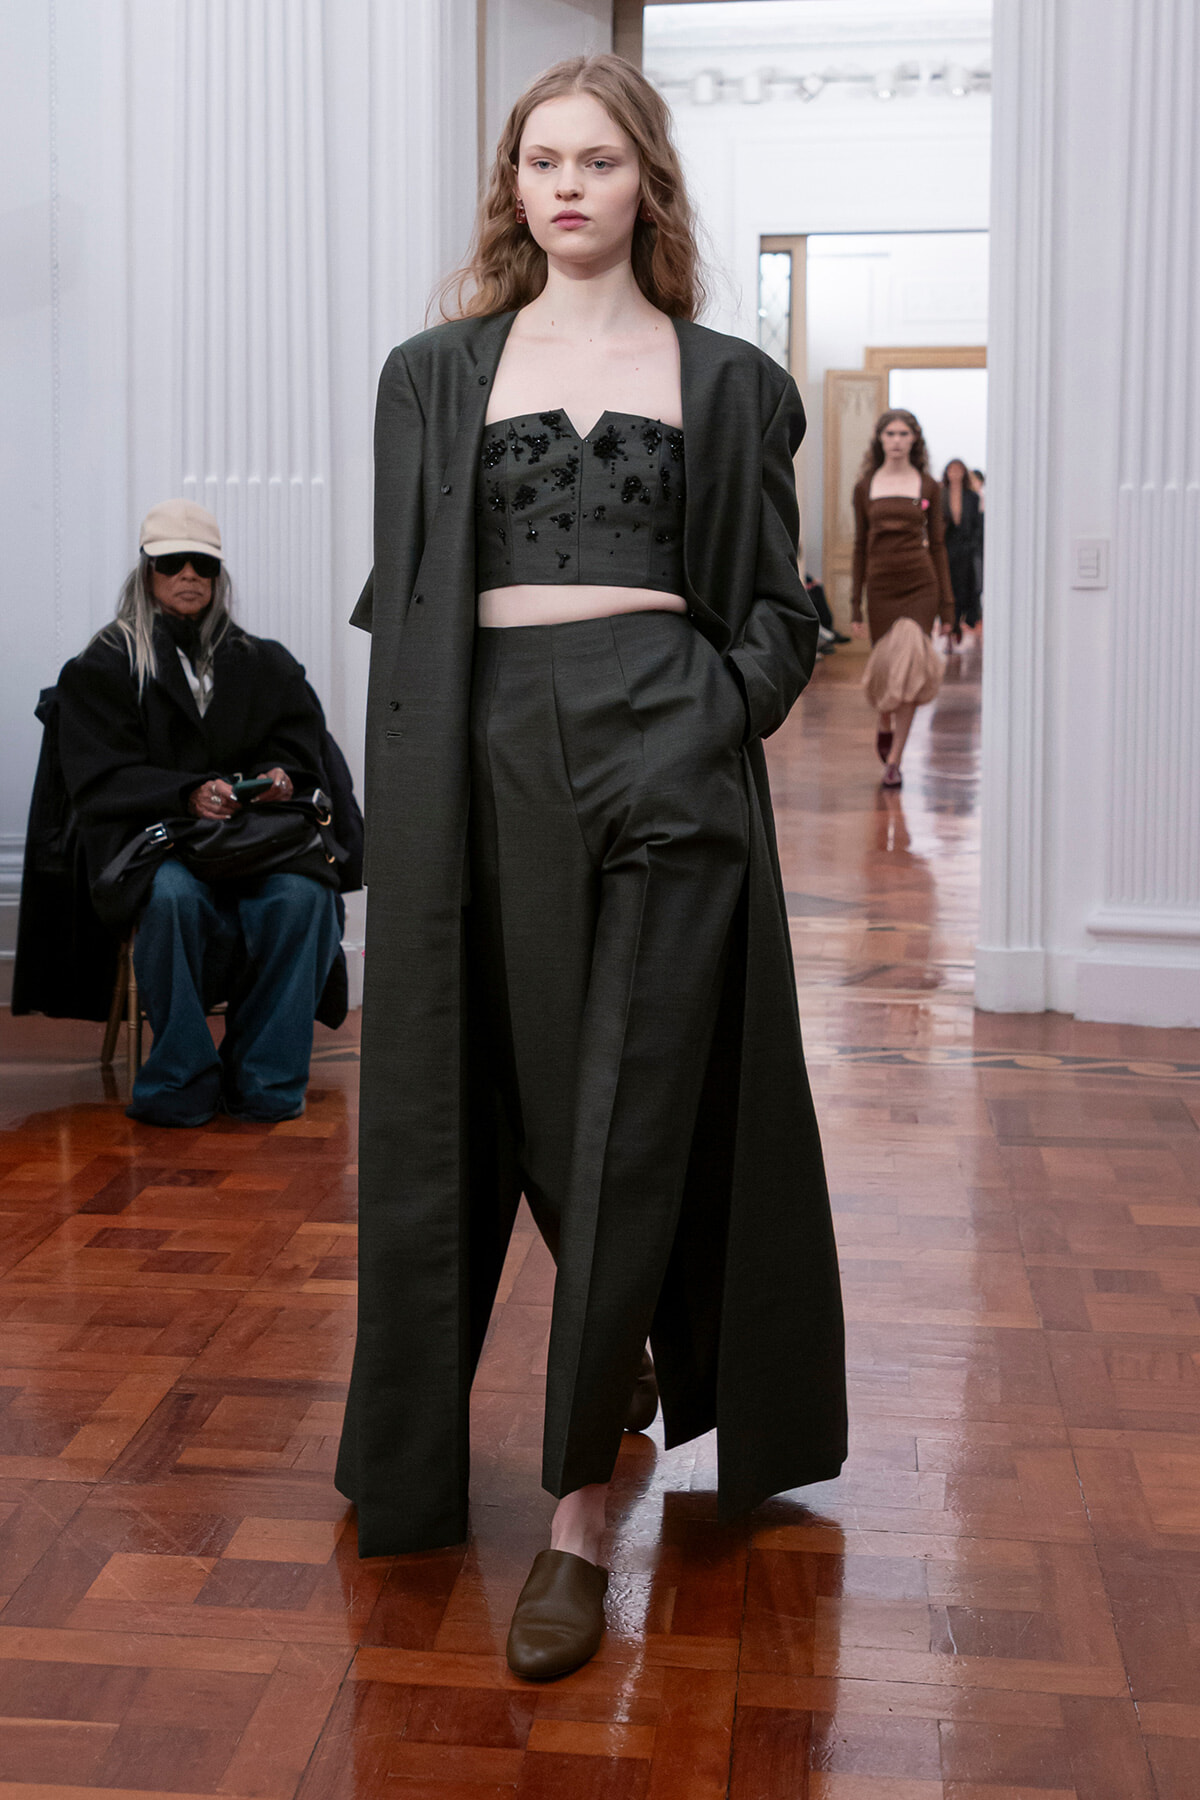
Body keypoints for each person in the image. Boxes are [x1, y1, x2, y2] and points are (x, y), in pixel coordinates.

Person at [336, 54, 847, 1682]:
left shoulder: (733, 381)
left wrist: (713, 712)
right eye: (541, 161)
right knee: (520, 1094)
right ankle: (613, 1346)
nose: (567, 186)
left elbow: (779, 607)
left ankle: (570, 1524)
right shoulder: (432, 376)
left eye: (599, 161)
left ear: (648, 186)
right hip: (486, 758)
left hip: (664, 750)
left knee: (631, 1105)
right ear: (515, 187)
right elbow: (404, 614)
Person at [55, 499, 346, 1127]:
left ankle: (265, 1081)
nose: (188, 575)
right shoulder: (107, 665)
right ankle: (181, 1079)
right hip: (158, 844)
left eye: (203, 564)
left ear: (217, 575)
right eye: (171, 562)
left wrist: (278, 778)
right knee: (171, 896)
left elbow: (303, 751)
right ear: (147, 571)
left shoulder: (263, 660)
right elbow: (99, 777)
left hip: (252, 842)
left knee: (304, 896)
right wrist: (185, 793)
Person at [850, 409, 954, 788]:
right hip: (881, 587)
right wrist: (854, 605)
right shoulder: (865, 487)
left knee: (909, 666)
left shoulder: (928, 486)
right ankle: (884, 717)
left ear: (914, 440)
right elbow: (861, 547)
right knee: (886, 667)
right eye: (889, 433)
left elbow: (940, 546)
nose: (896, 440)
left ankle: (894, 761)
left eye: (903, 433)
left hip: (920, 584)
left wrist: (948, 606)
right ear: (880, 439)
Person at [941, 457, 983, 641]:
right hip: (948, 546)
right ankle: (951, 624)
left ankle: (959, 622)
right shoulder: (941, 494)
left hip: (966, 549)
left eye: (958, 470)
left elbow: (977, 524)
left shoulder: (972, 497)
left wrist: (973, 545)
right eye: (952, 470)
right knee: (948, 586)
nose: (955, 474)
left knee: (964, 587)